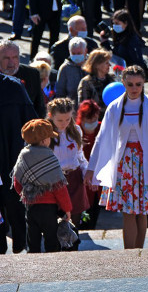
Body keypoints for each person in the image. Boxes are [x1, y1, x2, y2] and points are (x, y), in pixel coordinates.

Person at [84, 65, 148, 249]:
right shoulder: (114, 107)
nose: (134, 88)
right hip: (124, 164)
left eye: (138, 84)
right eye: (130, 84)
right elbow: (101, 139)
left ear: (143, 84)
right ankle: (130, 254)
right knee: (129, 212)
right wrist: (91, 168)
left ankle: (139, 253)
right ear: (123, 83)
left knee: (143, 212)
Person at [11, 119, 72, 253]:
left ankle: (35, 268)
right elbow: (59, 187)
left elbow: (17, 182)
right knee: (52, 241)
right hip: (49, 209)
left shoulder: (23, 156)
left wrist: (27, 194)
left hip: (31, 207)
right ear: (44, 140)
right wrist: (67, 209)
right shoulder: (50, 158)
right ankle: (51, 268)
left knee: (33, 241)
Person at [0, 72, 37, 254]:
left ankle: (21, 248)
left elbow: (32, 124)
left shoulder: (14, 87)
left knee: (16, 208)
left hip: (13, 162)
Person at [48, 98, 89, 230]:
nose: (64, 123)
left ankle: (74, 242)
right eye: (60, 120)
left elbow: (80, 156)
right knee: (56, 214)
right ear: (51, 116)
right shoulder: (45, 133)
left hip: (74, 176)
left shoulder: (75, 130)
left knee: (75, 214)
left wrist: (87, 173)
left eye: (67, 119)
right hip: (55, 180)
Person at [0, 40, 46, 117]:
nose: (11, 63)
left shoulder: (32, 74)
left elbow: (39, 107)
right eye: (6, 58)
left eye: (15, 57)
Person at [77, 49, 115, 118]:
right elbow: (83, 105)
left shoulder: (112, 79)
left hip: (112, 117)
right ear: (97, 65)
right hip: (95, 120)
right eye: (106, 63)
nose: (109, 65)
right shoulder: (87, 82)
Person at [56, 37, 88, 104]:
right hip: (72, 110)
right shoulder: (65, 68)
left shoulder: (93, 65)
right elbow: (60, 93)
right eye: (73, 53)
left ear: (85, 51)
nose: (76, 56)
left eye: (79, 53)